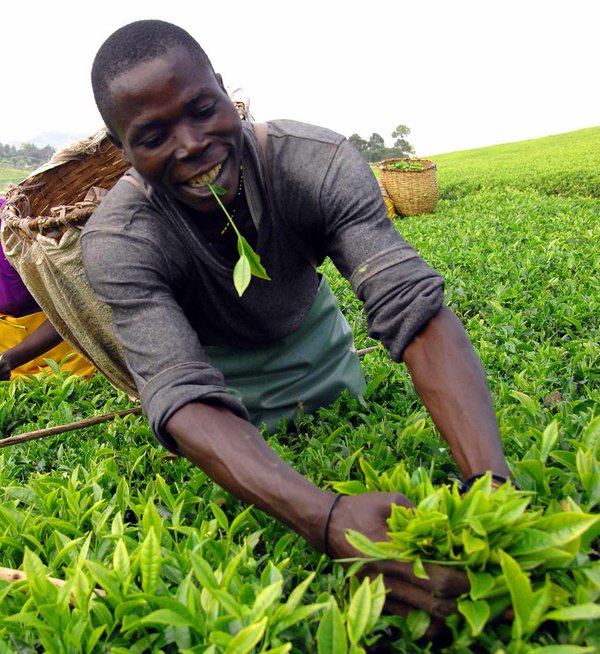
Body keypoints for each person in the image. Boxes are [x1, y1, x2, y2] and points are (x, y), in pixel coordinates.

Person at [82, 19, 514, 622]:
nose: (190, 145)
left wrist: (492, 486)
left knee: (345, 412)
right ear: (120, 151)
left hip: (317, 341)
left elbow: (409, 304)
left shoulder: (315, 162)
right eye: (153, 135)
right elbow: (180, 390)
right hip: (223, 385)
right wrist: (328, 519)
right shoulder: (119, 241)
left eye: (202, 109)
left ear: (225, 91)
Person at [0, 198, 95, 381]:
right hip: (8, 354)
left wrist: (10, 359)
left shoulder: (18, 225)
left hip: (62, 358)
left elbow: (74, 303)